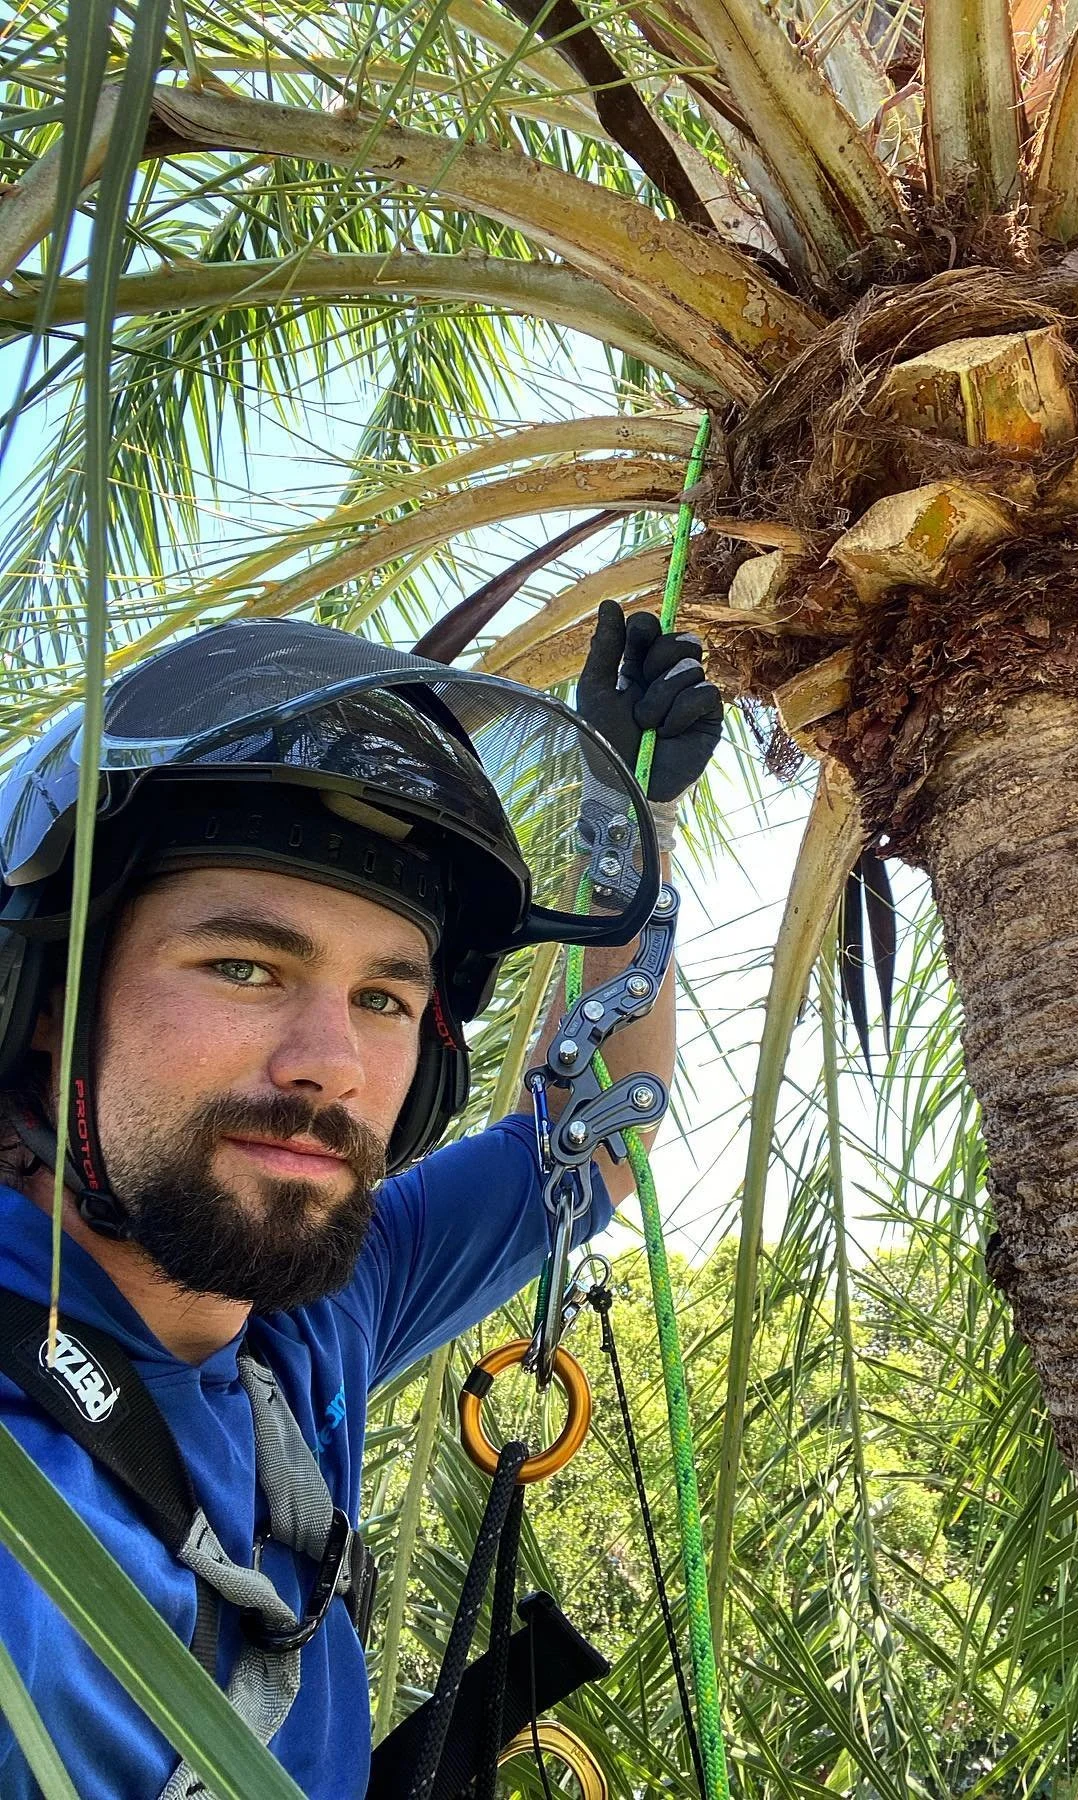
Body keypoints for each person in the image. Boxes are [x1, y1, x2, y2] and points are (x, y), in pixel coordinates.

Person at [0, 602, 722, 1800]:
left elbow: (598, 1131)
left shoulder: (303, 1318)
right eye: (244, 967)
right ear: (41, 1004)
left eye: (385, 999)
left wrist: (627, 824)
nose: (329, 1062)